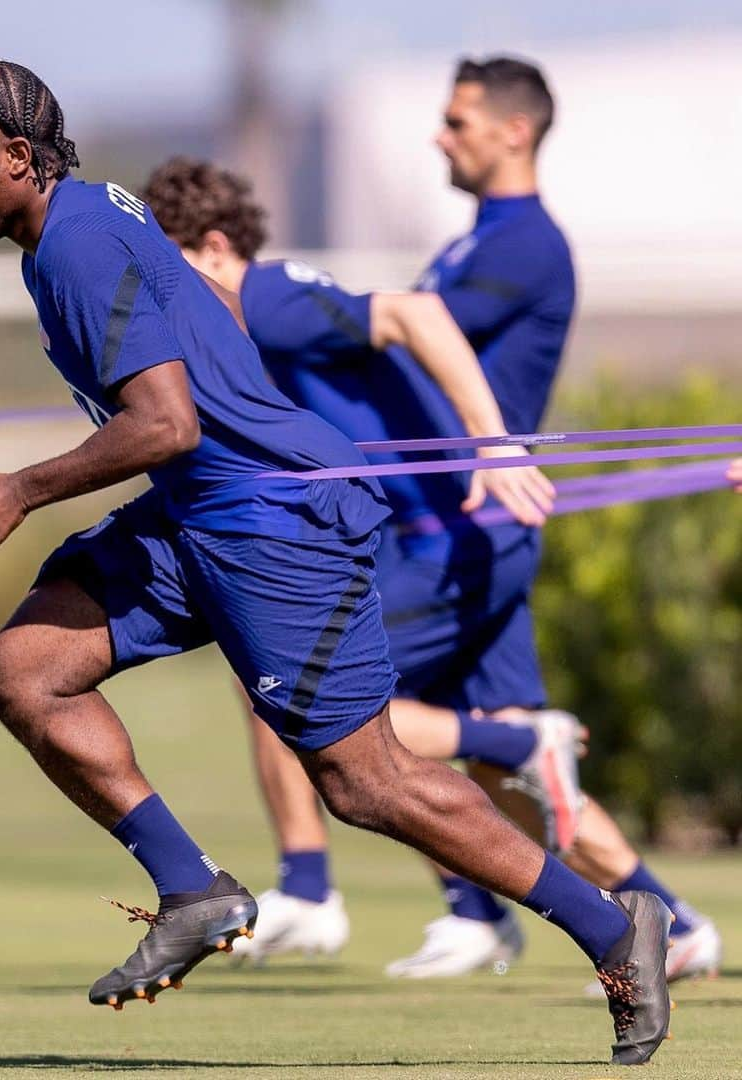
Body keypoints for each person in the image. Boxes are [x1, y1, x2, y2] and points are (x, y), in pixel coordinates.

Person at [0, 60, 672, 1064]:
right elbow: (212, 309)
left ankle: (615, 931)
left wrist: (19, 489)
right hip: (207, 511)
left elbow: (167, 423)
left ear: (17, 159)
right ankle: (193, 889)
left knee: (365, 784)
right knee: (24, 672)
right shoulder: (84, 218)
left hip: (276, 522)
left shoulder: (79, 246)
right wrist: (248, 405)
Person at [141, 55, 719, 984]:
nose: (439, 136)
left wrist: (488, 446)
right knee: (505, 772)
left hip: (466, 524)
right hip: (462, 525)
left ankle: (317, 888)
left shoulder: (519, 245)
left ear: (514, 129)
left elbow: (412, 326)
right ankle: (667, 917)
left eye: (457, 121)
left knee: (295, 687)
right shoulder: (476, 242)